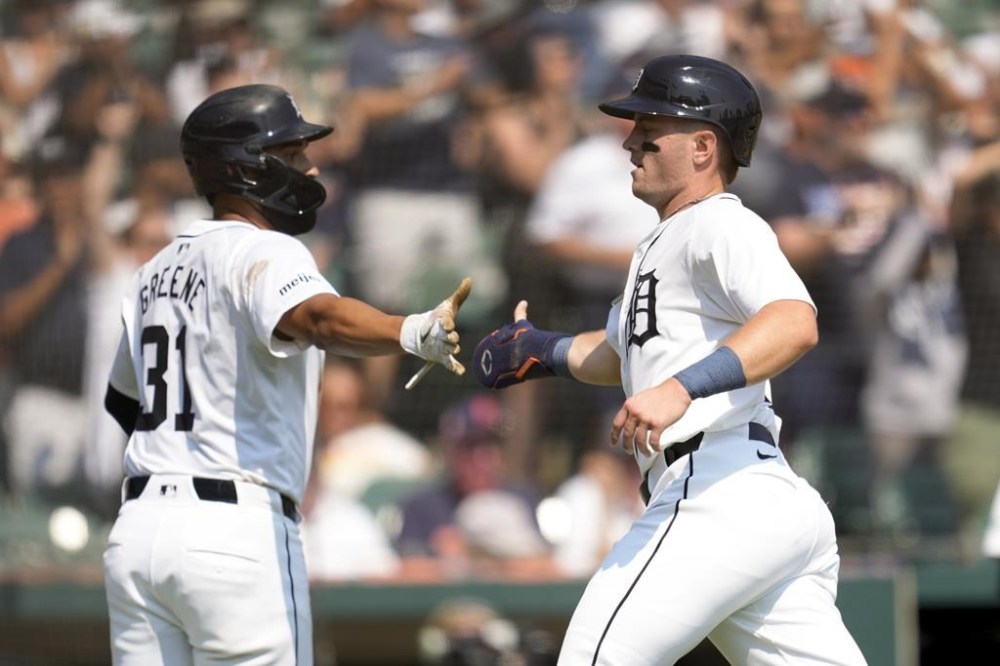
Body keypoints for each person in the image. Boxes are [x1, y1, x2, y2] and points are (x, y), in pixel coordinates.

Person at [472, 55, 867, 665]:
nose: (631, 141)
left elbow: (794, 322)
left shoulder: (719, 224)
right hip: (755, 501)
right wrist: (539, 350)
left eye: (651, 129)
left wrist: (682, 388)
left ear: (704, 147)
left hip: (716, 490)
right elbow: (620, 355)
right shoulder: (667, 238)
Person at [100, 83, 472, 666]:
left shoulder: (150, 272)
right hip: (233, 532)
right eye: (292, 154)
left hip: (139, 530)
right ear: (244, 167)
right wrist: (408, 330)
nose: (310, 165)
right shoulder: (263, 251)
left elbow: (126, 404)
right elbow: (317, 317)